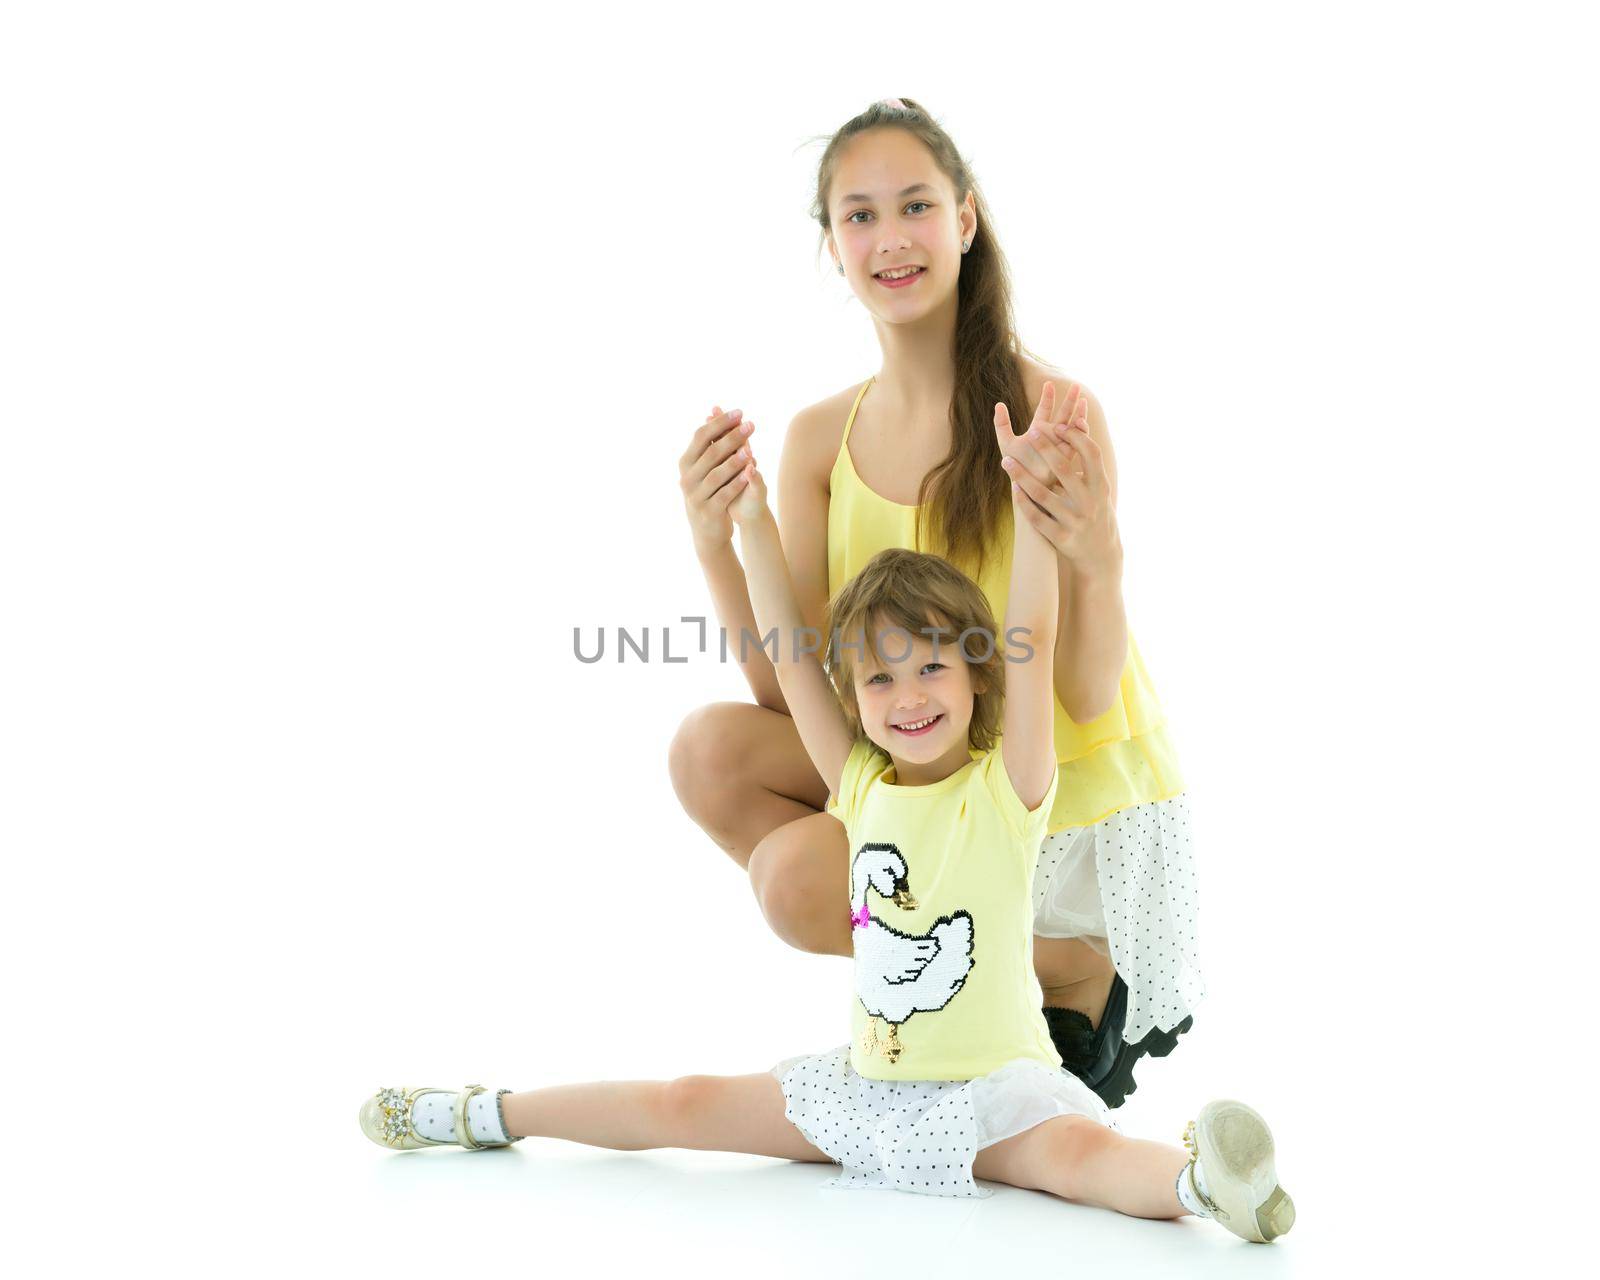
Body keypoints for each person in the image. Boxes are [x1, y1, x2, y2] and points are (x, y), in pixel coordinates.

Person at [356, 455, 1295, 1244]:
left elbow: (1036, 637)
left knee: (1076, 1159)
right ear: (857, 698)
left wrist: (1029, 507)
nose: (908, 694)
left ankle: (1205, 1186)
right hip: (868, 1089)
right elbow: (793, 659)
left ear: (976, 676)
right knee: (684, 1102)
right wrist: (750, 523)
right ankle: (484, 1114)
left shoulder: (1010, 791)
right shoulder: (857, 786)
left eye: (932, 664)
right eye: (880, 677)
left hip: (996, 1091)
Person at [672, 97, 1201, 1107]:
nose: (889, 238)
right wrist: (714, 542)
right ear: (832, 247)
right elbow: (797, 690)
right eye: (858, 215)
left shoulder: (1052, 415)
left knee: (792, 879)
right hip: (927, 760)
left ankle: (1075, 971)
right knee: (709, 751)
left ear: (964, 218)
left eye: (913, 204)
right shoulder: (820, 439)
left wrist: (1099, 550)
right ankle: (968, 971)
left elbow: (1086, 690)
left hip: (1043, 785)